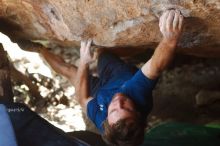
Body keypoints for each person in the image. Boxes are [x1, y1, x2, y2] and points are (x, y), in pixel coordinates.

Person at [40, 9, 184, 146]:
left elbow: (82, 99)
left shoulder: (104, 122)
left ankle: (39, 48)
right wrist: (170, 39)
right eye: (126, 108)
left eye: (114, 111)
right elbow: (156, 67)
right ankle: (138, 50)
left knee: (70, 72)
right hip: (119, 76)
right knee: (102, 51)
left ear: (107, 119)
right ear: (137, 113)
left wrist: (84, 62)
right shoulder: (138, 96)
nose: (119, 101)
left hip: (101, 92)